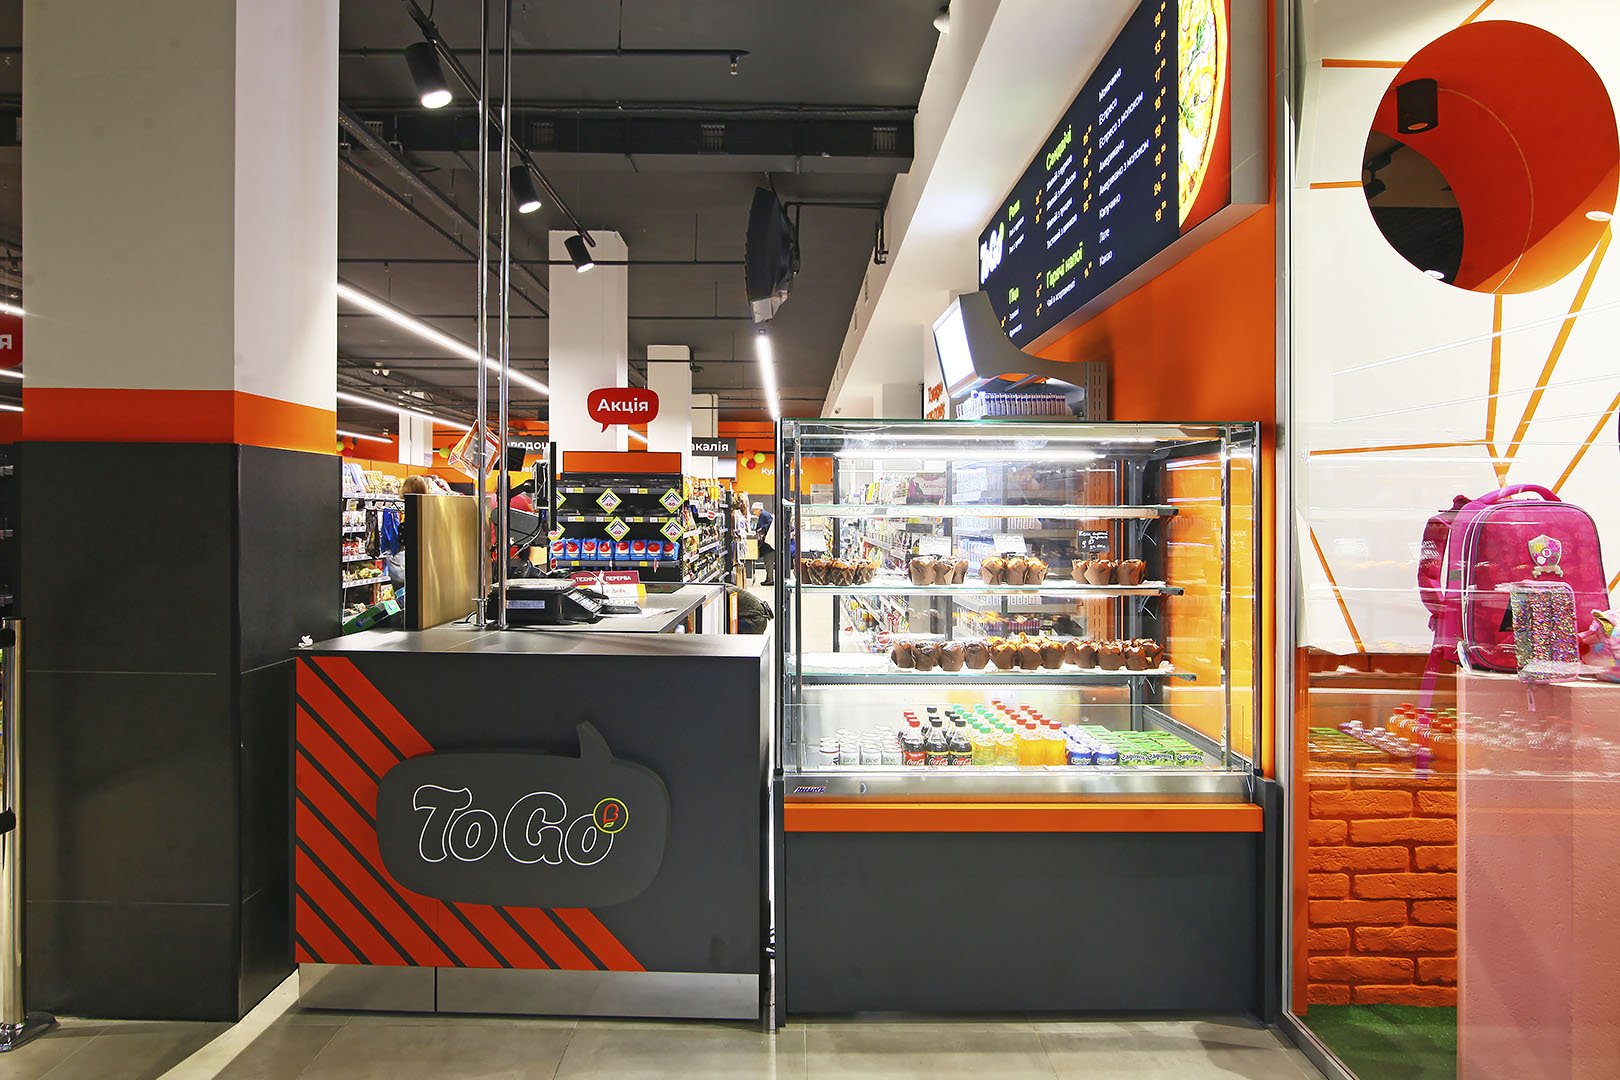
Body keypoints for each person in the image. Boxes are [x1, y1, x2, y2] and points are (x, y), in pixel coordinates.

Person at [753, 501, 776, 585]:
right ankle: (769, 579)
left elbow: (763, 527)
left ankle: (770, 580)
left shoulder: (763, 515)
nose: (754, 513)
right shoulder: (765, 515)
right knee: (768, 562)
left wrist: (760, 530)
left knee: (768, 562)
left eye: (754, 511)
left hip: (768, 545)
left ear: (758, 510)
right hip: (769, 543)